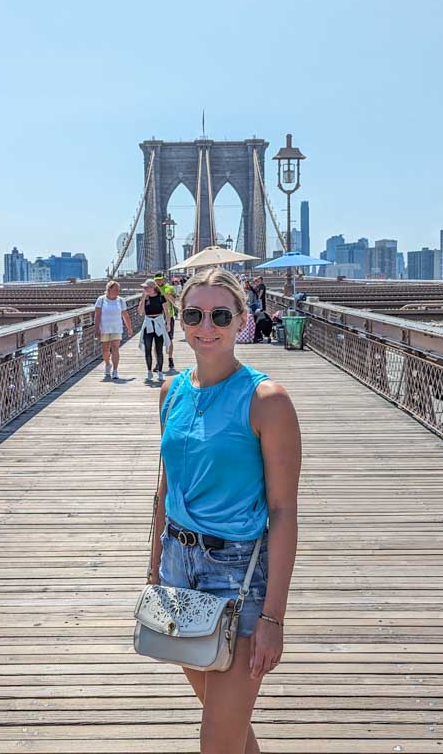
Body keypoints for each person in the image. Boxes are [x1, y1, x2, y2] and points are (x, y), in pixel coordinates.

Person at [149, 267, 301, 754]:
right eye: (193, 314)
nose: (205, 326)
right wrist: (153, 569)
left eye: (219, 314)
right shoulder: (171, 392)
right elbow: (164, 491)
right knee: (229, 728)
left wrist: (273, 618)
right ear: (179, 318)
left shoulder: (266, 400)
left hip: (237, 578)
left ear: (242, 320)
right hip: (178, 570)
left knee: (216, 741)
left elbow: (282, 511)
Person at [94, 281, 133, 380]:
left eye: (118, 290)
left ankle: (115, 371)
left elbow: (125, 315)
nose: (117, 291)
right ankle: (107, 364)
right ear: (109, 290)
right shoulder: (101, 300)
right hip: (104, 328)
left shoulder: (120, 300)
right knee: (105, 350)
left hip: (117, 328)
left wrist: (129, 328)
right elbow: (97, 315)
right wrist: (97, 328)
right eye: (115, 289)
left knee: (115, 348)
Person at [139, 278, 171, 384]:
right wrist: (143, 299)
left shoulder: (161, 297)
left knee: (159, 349)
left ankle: (160, 372)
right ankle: (149, 372)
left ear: (152, 287)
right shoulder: (145, 297)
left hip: (158, 323)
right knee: (148, 349)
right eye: (144, 288)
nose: (145, 289)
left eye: (146, 287)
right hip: (148, 323)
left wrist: (168, 324)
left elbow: (166, 311)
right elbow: (140, 312)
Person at [155, 272, 178, 372]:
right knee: (156, 342)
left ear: (164, 279)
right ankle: (158, 362)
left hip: (169, 316)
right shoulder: (152, 289)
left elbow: (174, 302)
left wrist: (167, 295)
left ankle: (170, 358)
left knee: (169, 339)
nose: (159, 281)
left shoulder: (170, 288)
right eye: (157, 279)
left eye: (160, 279)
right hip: (156, 317)